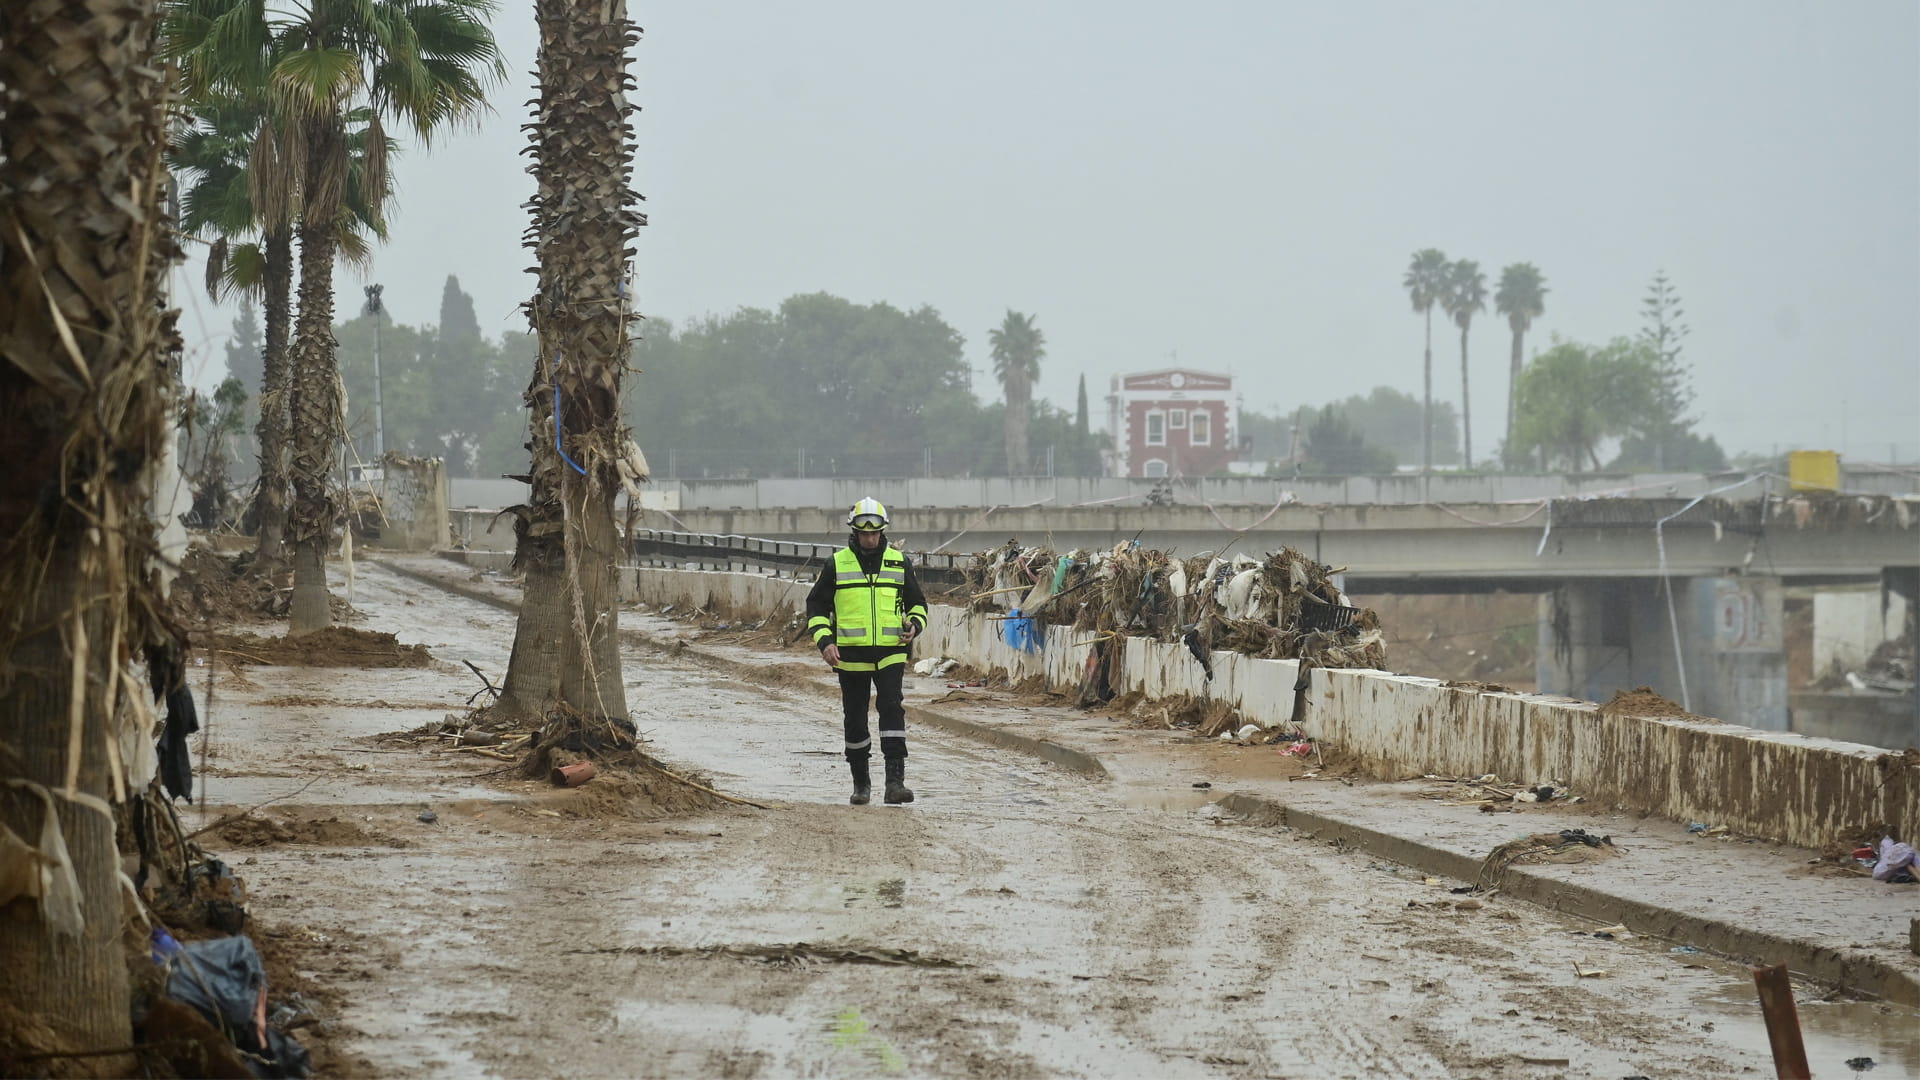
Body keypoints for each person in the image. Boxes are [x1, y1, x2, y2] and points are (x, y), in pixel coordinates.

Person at [805, 497, 929, 805]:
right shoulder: (837, 564)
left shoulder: (899, 562)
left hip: (890, 653)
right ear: (855, 532)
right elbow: (816, 607)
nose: (870, 538)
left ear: (882, 531)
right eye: (864, 533)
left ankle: (895, 783)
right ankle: (861, 784)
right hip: (851, 658)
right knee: (855, 719)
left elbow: (918, 604)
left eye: (875, 533)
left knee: (892, 710)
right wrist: (825, 642)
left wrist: (914, 624)